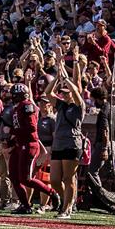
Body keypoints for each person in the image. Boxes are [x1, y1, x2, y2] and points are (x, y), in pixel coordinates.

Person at [47, 79, 84, 220]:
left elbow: (75, 91)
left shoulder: (79, 106)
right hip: (58, 145)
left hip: (72, 144)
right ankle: (67, 201)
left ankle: (66, 208)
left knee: (68, 178)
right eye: (62, 93)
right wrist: (57, 78)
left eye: (66, 93)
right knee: (55, 180)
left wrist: (67, 79)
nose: (64, 95)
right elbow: (48, 92)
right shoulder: (61, 105)